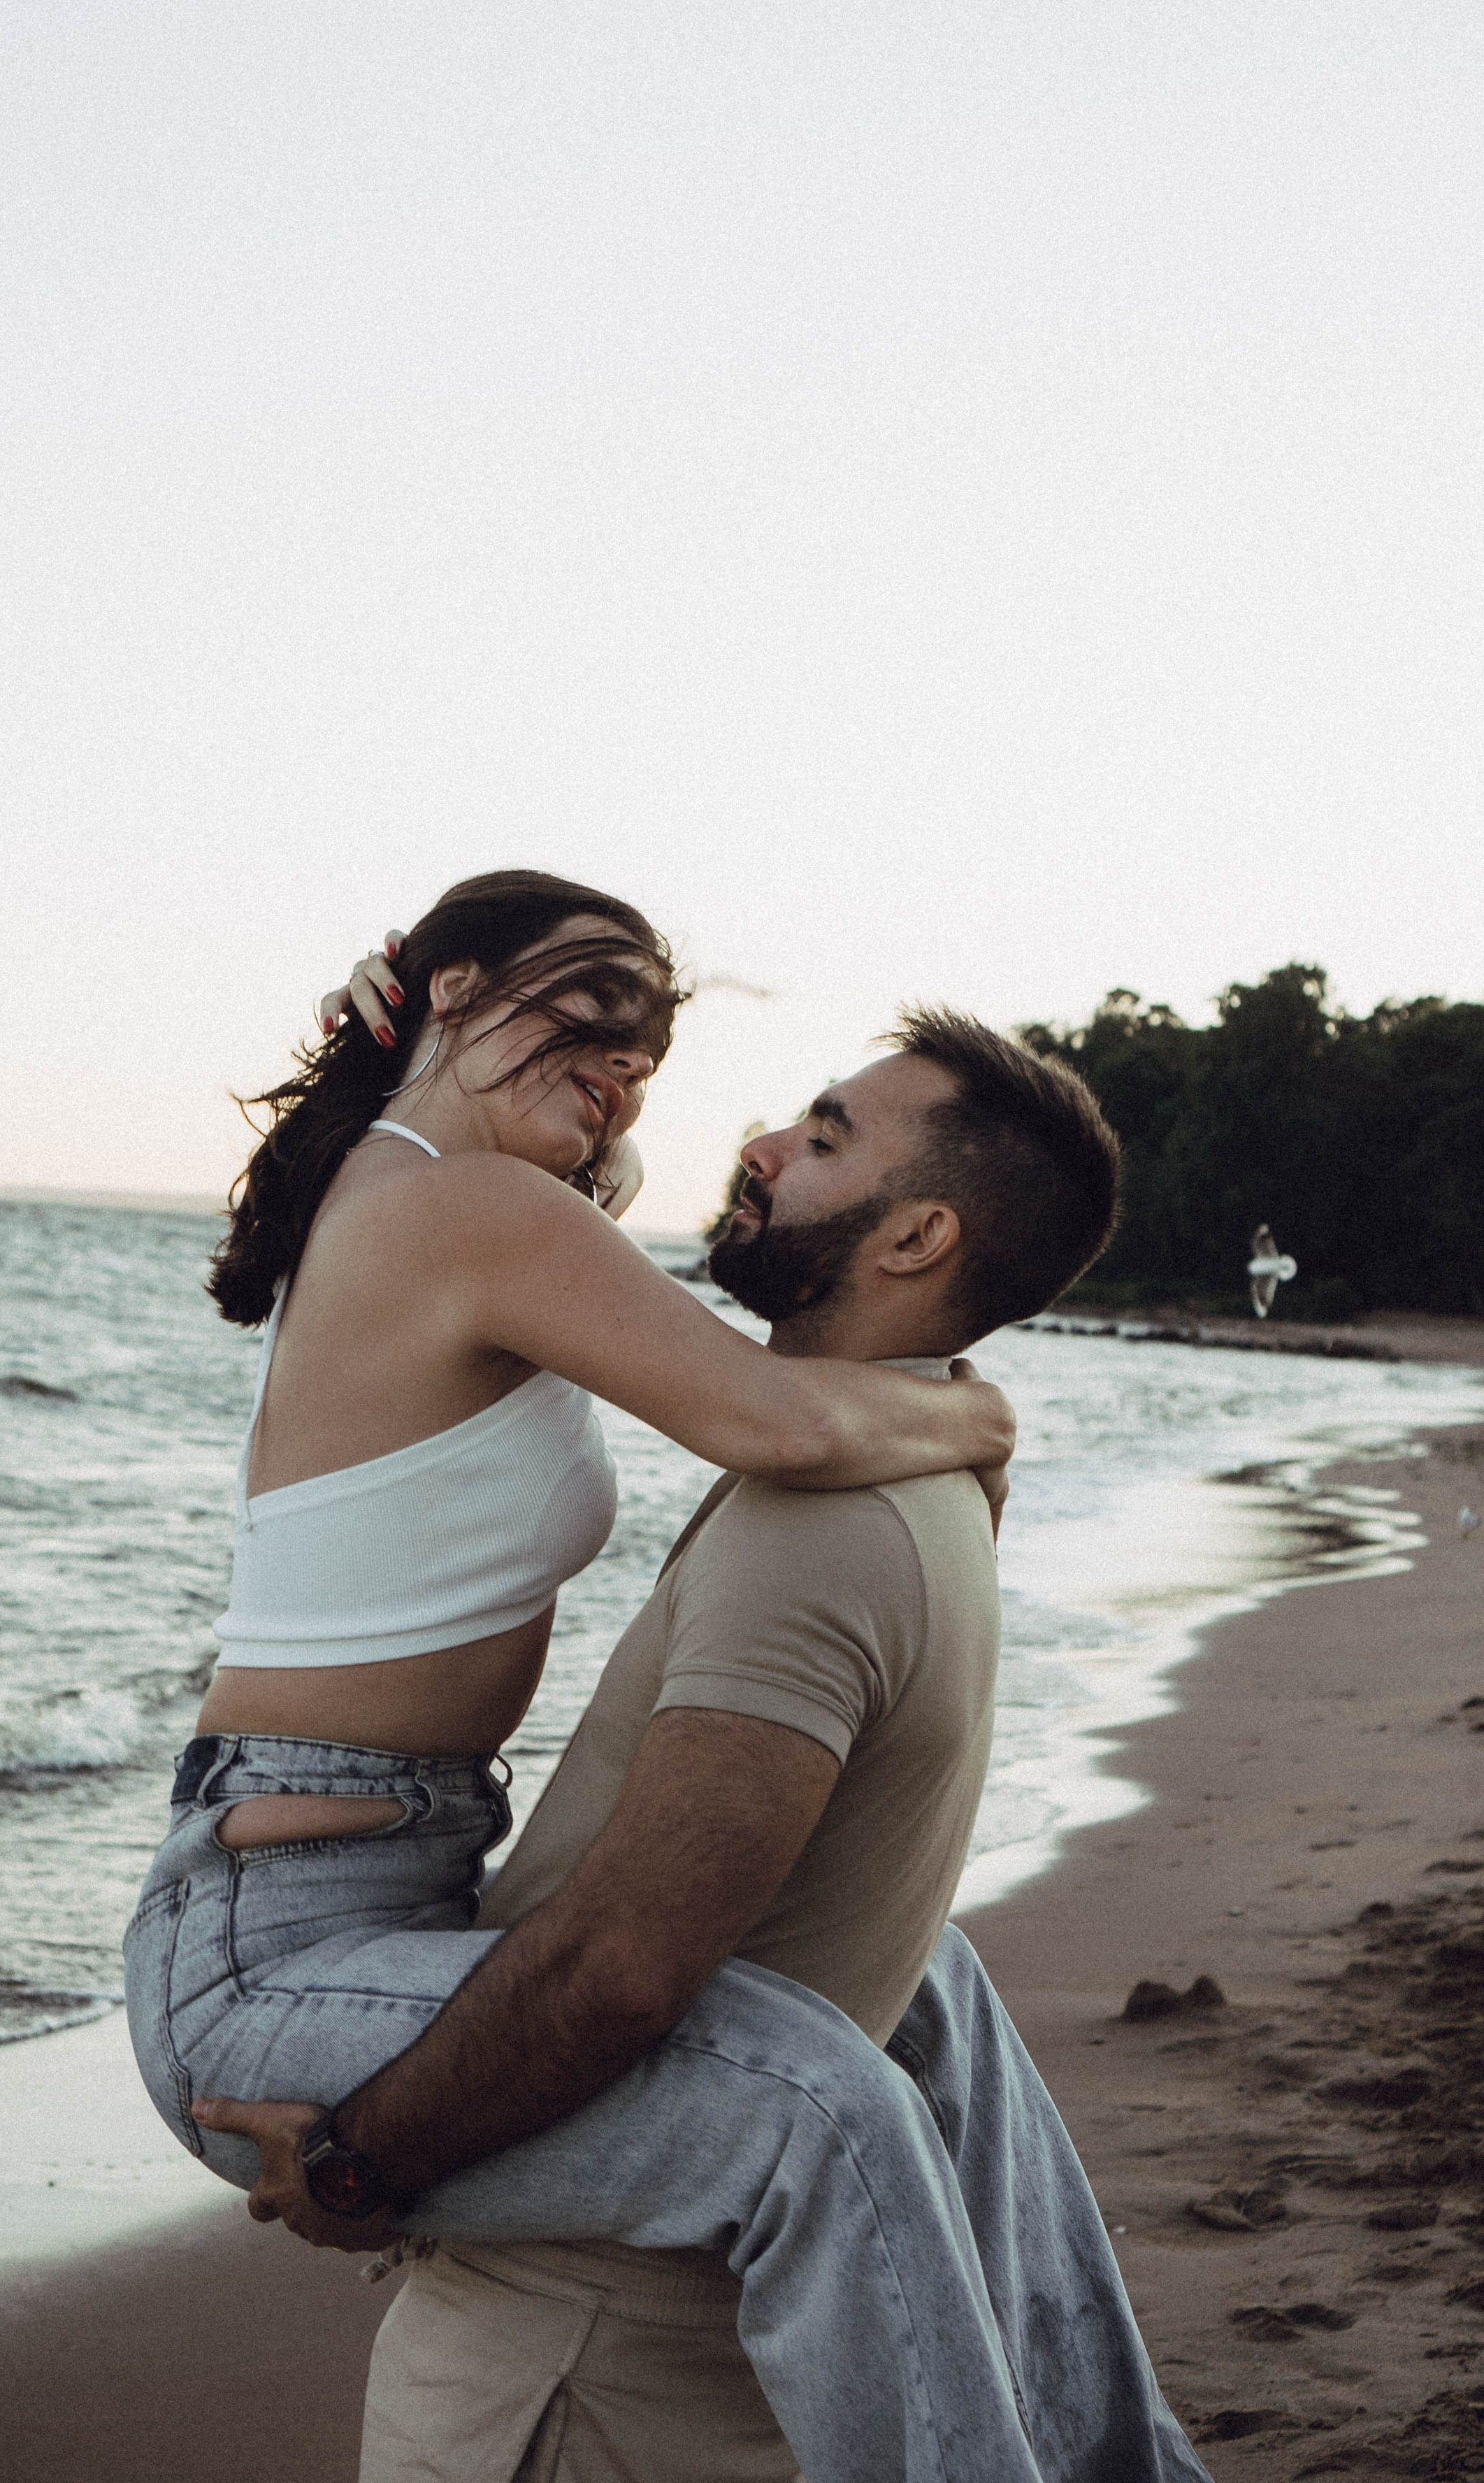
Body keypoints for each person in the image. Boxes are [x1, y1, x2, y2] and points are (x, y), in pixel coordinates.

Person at [159, 971, 1114, 2483]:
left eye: (822, 1134)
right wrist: (405, 1054)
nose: (762, 1143)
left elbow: (621, 1971)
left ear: (917, 1234)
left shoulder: (820, 1531)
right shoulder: (923, 1481)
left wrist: (362, 2162)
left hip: (568, 2354)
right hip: (667, 2317)